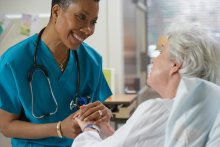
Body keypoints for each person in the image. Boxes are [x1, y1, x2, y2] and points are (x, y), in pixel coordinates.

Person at [71, 23, 220, 147]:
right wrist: (107, 132)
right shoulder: (198, 117)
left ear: (175, 64)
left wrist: (89, 127)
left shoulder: (159, 110)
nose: (154, 60)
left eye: (161, 52)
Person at [0, 0, 112, 146]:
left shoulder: (92, 61)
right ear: (56, 12)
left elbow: (93, 116)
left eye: (93, 22)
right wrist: (58, 129)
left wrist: (103, 116)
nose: (88, 30)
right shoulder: (14, 61)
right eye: (81, 17)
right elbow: (6, 126)